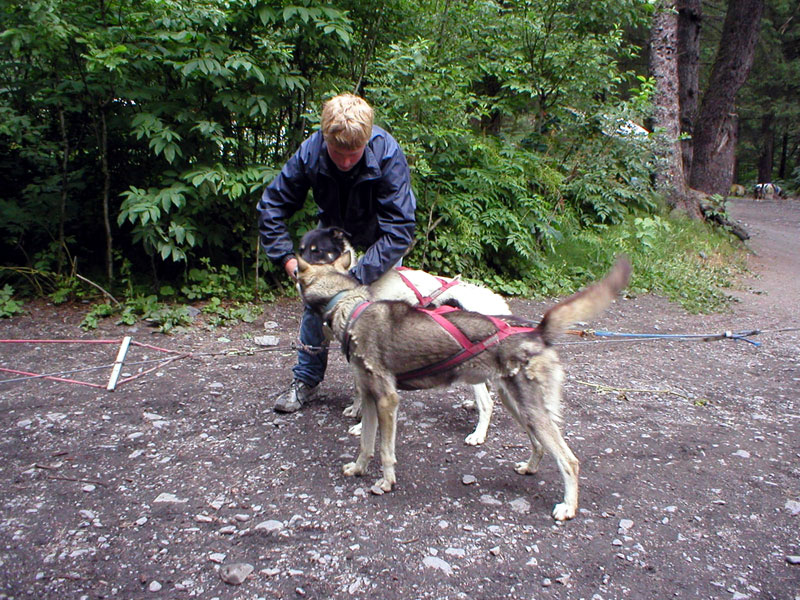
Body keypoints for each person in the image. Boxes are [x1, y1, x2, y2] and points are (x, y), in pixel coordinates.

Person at [257, 93, 417, 413]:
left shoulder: (388, 154)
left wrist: (354, 278)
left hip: (381, 237)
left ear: (366, 141)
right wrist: (288, 260)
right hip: (333, 236)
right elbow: (272, 207)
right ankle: (306, 378)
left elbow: (400, 229)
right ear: (325, 139)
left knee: (376, 309)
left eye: (353, 154)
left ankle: (376, 386)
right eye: (337, 153)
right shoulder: (310, 151)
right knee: (316, 302)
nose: (345, 162)